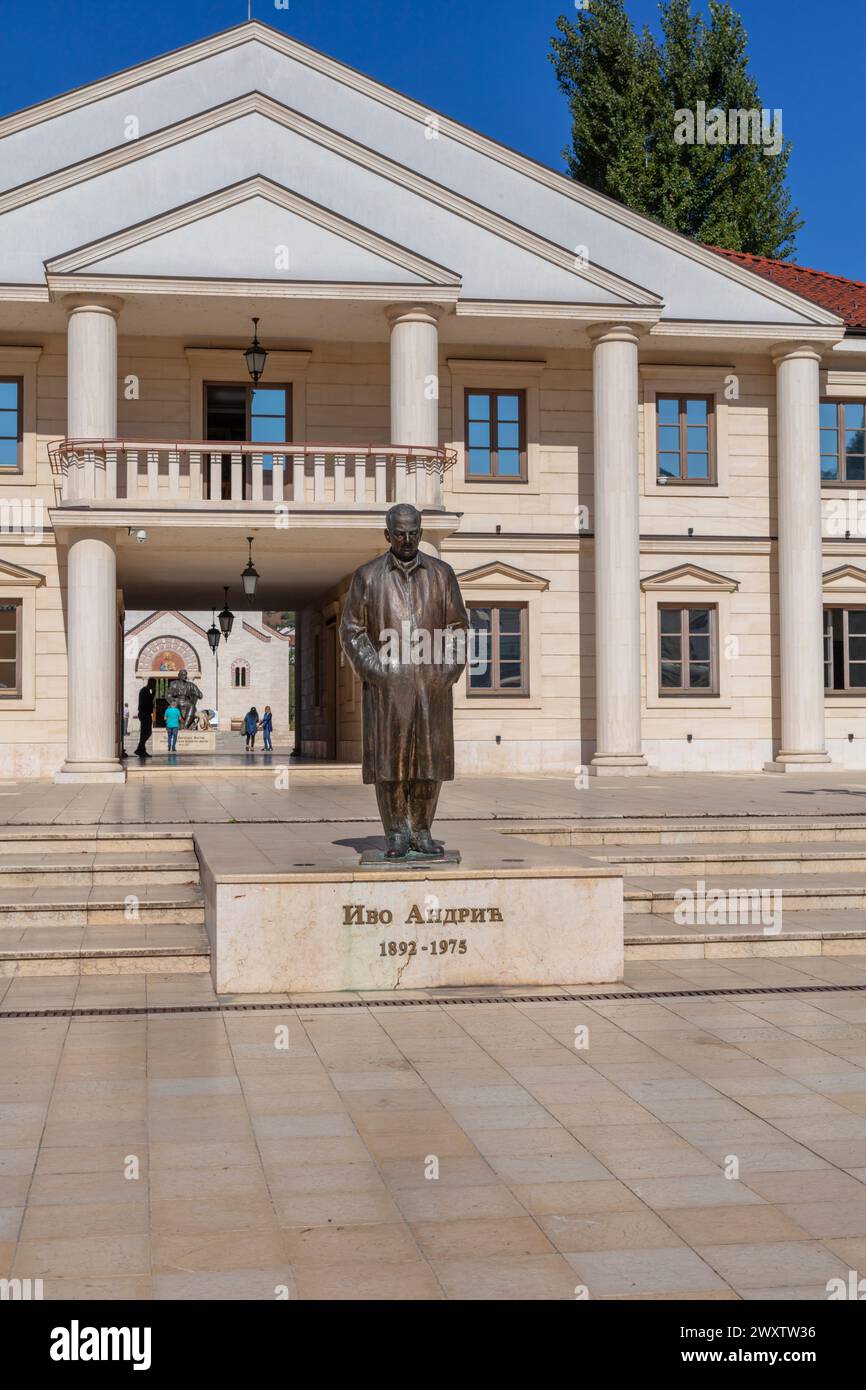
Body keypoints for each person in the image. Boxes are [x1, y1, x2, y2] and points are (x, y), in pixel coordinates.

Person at [340, 502, 468, 858]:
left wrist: (447, 671)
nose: (408, 540)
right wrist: (376, 671)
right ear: (388, 534)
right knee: (391, 764)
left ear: (421, 533)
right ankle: (396, 832)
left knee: (430, 761)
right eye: (400, 533)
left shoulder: (442, 574)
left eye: (413, 533)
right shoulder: (367, 576)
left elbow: (458, 628)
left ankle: (422, 830)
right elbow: (351, 631)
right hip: (388, 688)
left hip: (432, 686)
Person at [134, 679, 155, 759]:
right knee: (146, 732)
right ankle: (140, 749)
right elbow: (147, 703)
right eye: (154, 684)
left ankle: (141, 749)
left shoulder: (146, 691)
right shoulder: (145, 691)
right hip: (144, 714)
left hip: (146, 714)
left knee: (146, 732)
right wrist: (153, 694)